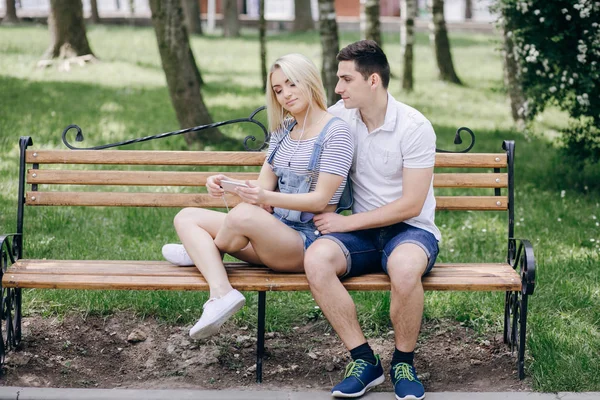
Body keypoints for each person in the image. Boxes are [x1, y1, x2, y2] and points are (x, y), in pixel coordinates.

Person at [161, 53, 354, 341]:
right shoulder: (283, 132)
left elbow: (319, 201)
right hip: (270, 233)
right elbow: (261, 190)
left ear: (310, 81)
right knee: (186, 216)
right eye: (278, 90)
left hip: (305, 242)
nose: (285, 95)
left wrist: (265, 197)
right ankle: (222, 294)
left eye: (292, 84)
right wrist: (226, 183)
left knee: (241, 215)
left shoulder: (336, 132)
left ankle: (205, 249)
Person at [304, 40, 441, 400]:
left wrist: (346, 223)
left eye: (346, 79)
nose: (338, 88)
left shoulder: (414, 126)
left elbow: (411, 204)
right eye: (338, 80)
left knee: (406, 268)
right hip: (363, 235)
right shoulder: (338, 117)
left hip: (411, 231)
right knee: (316, 260)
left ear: (374, 81)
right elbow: (299, 141)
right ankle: (364, 361)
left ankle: (403, 363)